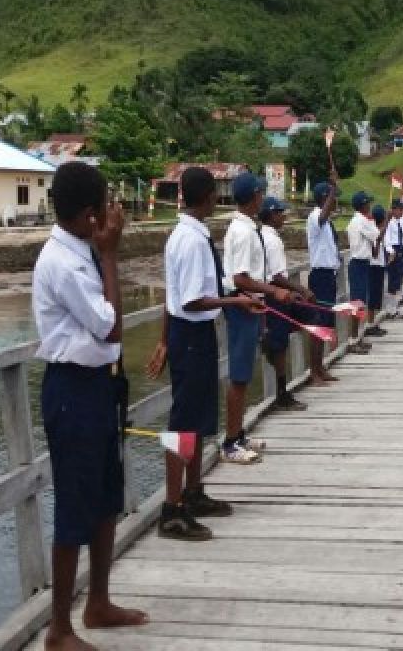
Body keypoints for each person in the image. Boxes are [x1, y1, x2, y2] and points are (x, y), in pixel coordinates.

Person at [33, 160, 149, 648]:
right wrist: (111, 256)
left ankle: (98, 602)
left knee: (105, 497)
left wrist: (101, 253)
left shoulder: (79, 249)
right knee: (74, 507)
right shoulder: (63, 262)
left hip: (101, 385)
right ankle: (59, 628)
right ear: (87, 214)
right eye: (104, 208)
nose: (110, 218)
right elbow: (112, 326)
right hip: (73, 391)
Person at [146, 167, 266, 543]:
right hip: (194, 332)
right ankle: (172, 507)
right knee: (183, 420)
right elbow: (191, 299)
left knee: (197, 416)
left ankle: (193, 492)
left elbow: (172, 294)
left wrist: (164, 339)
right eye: (215, 192)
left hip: (188, 333)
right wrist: (237, 300)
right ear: (209, 196)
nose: (218, 198)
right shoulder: (193, 241)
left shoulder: (183, 234)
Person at [221, 171, 293, 464]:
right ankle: (229, 442)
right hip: (241, 308)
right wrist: (273, 291)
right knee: (238, 376)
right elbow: (239, 279)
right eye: (260, 193)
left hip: (252, 306)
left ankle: (238, 434)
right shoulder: (241, 232)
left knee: (245, 374)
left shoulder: (250, 229)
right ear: (254, 197)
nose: (263, 198)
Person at [258, 196, 312, 412]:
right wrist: (300, 290)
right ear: (272, 215)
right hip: (274, 295)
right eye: (281, 212)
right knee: (280, 343)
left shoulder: (262, 235)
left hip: (272, 294)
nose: (284, 216)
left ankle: (282, 384)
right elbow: (277, 276)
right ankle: (282, 393)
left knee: (282, 338)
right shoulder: (272, 240)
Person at [305, 182, 342, 384]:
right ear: (324, 198)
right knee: (317, 324)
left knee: (326, 323)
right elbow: (322, 215)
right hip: (320, 276)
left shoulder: (327, 223)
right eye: (332, 197)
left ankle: (321, 367)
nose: (335, 201)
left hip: (329, 275)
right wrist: (333, 188)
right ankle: (314, 371)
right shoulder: (315, 217)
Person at [347, 190, 380, 351]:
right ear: (363, 205)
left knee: (360, 303)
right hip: (359, 263)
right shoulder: (362, 221)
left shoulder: (356, 220)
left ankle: (357, 337)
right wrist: (374, 220)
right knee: (357, 303)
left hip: (360, 263)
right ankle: (353, 340)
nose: (370, 206)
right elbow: (376, 235)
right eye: (368, 203)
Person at [367, 204, 390, 333]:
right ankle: (370, 324)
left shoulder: (376, 230)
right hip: (373, 265)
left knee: (376, 297)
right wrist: (386, 222)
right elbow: (377, 239)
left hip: (379, 265)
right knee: (372, 297)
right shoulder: (373, 231)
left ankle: (373, 323)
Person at [384, 198, 403, 320]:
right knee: (393, 281)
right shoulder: (389, 222)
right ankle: (390, 309)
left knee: (397, 280)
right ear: (393, 210)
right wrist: (392, 252)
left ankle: (394, 308)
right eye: (400, 209)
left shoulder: (398, 222)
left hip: (399, 249)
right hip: (393, 251)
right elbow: (386, 240)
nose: (402, 212)